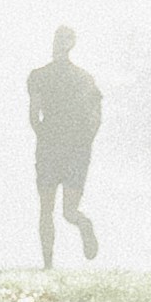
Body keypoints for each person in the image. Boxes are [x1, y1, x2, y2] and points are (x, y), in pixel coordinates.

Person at [26, 27, 103, 268]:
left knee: (47, 209)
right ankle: (81, 226)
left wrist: (44, 136)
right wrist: (84, 142)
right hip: (74, 150)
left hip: (52, 148)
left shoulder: (39, 76)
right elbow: (96, 117)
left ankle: (48, 264)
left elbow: (33, 115)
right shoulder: (84, 77)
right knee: (67, 212)